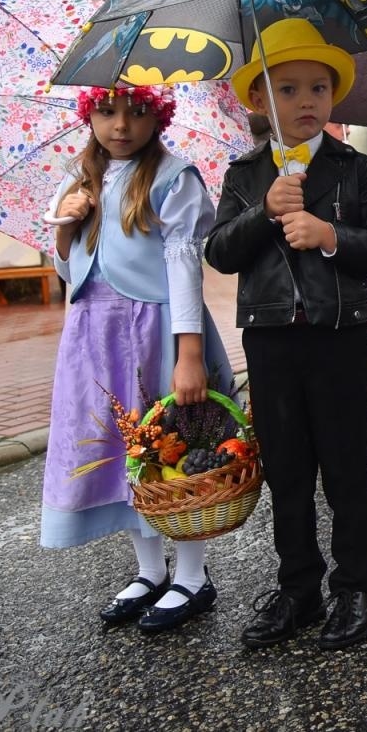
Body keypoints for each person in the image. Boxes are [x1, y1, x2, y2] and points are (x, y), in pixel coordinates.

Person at [205, 19, 367, 651]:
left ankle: (356, 584)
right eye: (287, 89)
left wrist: (330, 235)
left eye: (318, 87)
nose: (306, 101)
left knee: (346, 467)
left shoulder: (354, 168)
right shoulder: (244, 174)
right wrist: (264, 212)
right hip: (270, 341)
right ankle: (298, 587)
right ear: (259, 99)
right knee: (286, 470)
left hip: (338, 336)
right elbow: (220, 252)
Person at [41, 85, 232, 632]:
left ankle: (191, 575)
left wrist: (188, 353)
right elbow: (70, 271)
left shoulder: (174, 178)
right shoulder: (79, 181)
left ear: (159, 117)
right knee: (125, 449)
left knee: (176, 446)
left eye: (137, 112)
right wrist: (67, 227)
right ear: (90, 116)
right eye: (106, 112)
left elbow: (184, 265)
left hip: (155, 330)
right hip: (95, 335)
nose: (120, 125)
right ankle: (150, 570)